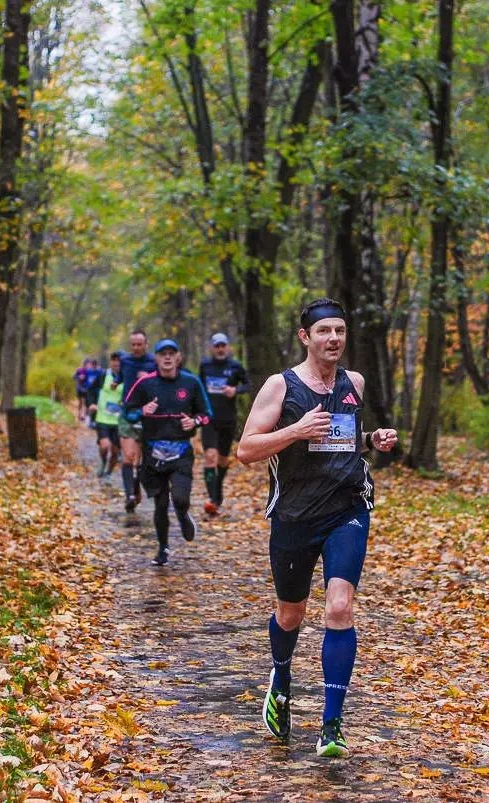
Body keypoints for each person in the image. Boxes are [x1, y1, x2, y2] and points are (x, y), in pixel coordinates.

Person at [237, 298, 398, 758]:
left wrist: (372, 440)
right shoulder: (280, 387)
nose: (333, 339)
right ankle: (281, 679)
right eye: (324, 331)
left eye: (340, 331)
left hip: (347, 508)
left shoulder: (354, 383)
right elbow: (247, 450)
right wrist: (295, 431)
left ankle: (331, 725)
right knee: (291, 614)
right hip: (295, 515)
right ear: (305, 337)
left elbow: (344, 438)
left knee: (340, 608)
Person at [122, 339, 213, 566]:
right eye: (163, 354)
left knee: (180, 498)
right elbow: (127, 411)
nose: (168, 357)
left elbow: (207, 413)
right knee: (160, 505)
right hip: (152, 453)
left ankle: (183, 516)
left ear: (178, 357)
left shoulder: (191, 382)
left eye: (172, 353)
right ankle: (163, 548)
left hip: (181, 451)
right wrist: (142, 410)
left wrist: (194, 422)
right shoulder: (145, 384)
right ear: (156, 358)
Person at [198, 332, 250, 517]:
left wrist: (235, 390)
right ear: (212, 348)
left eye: (223, 345)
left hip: (228, 419)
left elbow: (247, 385)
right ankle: (212, 498)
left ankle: (217, 491)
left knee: (222, 459)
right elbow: (199, 387)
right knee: (210, 457)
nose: (220, 349)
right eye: (217, 346)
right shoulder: (205, 365)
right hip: (208, 419)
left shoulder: (235, 366)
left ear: (227, 347)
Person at [118, 330, 157, 513]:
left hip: (148, 413)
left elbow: (161, 383)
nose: (136, 347)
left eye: (139, 344)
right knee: (128, 456)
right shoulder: (124, 361)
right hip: (128, 412)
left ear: (146, 344)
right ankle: (129, 496)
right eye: (133, 344)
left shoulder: (153, 362)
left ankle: (135, 486)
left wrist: (147, 378)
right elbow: (120, 377)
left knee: (140, 459)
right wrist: (116, 383)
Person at [87, 351, 124, 477]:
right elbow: (90, 390)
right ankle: (103, 461)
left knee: (115, 451)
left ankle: (109, 471)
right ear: (110, 362)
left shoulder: (128, 377)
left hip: (119, 420)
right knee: (104, 446)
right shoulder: (103, 375)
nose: (116, 363)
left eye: (119, 361)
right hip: (103, 418)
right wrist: (91, 403)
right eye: (114, 360)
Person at [73, 356, 98, 423]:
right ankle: (79, 414)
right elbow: (74, 377)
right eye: (86, 363)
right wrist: (79, 377)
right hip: (79, 388)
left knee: (84, 402)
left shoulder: (89, 371)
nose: (88, 365)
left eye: (89, 364)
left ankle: (83, 415)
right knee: (80, 403)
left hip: (86, 389)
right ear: (84, 363)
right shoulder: (79, 370)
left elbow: (93, 376)